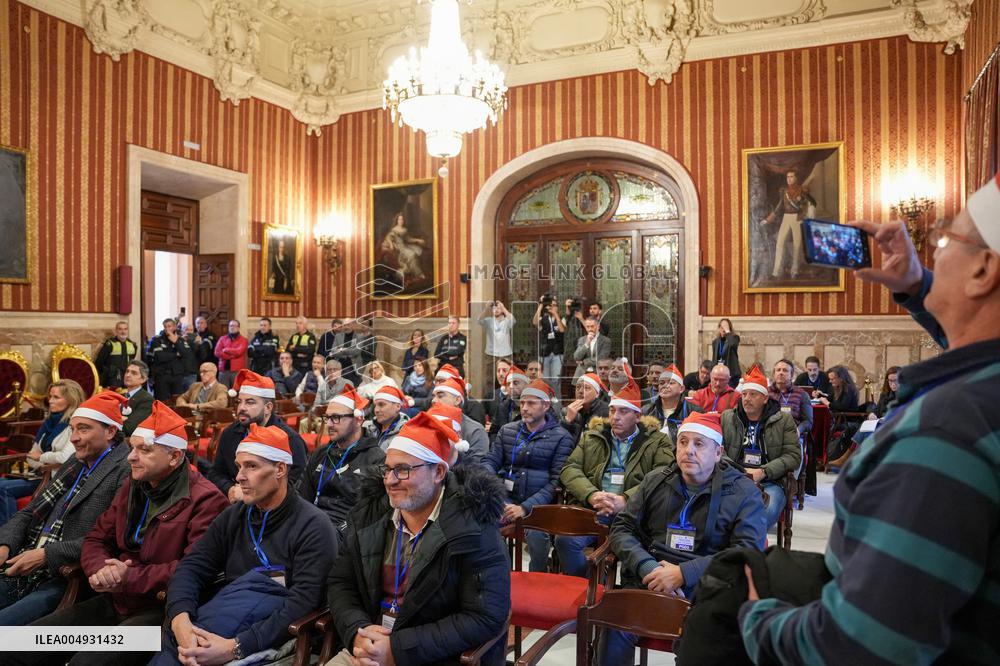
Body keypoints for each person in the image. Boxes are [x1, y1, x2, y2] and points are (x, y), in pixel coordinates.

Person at [738, 175, 1000, 664]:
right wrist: (920, 284)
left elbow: (861, 646)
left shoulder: (945, 430)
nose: (933, 250)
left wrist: (758, 621)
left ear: (983, 270)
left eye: (946, 239)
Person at [7, 403, 229, 666]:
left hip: (161, 612)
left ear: (174, 457)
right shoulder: (133, 485)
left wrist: (129, 577)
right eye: (132, 447)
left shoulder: (207, 500)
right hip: (116, 600)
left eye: (144, 450)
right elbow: (97, 538)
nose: (130, 457)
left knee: (85, 663)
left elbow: (194, 569)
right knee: (17, 646)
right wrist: (101, 569)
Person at [325, 413, 510, 666]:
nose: (390, 481)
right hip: (369, 646)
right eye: (387, 469)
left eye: (403, 470)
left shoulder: (473, 526)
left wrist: (397, 650)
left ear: (438, 472)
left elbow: (485, 616)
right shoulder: (369, 513)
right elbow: (340, 582)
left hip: (432, 655)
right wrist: (357, 632)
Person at [154, 424, 336, 666]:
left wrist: (236, 647)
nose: (239, 476)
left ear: (280, 469)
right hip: (210, 618)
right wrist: (180, 618)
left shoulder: (314, 526)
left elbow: (303, 603)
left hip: (270, 635)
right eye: (239, 466)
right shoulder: (236, 515)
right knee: (104, 643)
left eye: (251, 466)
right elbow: (192, 566)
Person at [602, 411, 766, 665]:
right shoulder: (656, 480)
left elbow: (747, 551)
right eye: (683, 442)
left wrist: (683, 573)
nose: (688, 450)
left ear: (718, 452)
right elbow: (622, 528)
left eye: (699, 444)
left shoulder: (744, 493)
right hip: (650, 581)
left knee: (704, 644)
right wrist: (649, 567)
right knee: (613, 625)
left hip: (708, 592)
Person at [0, 391, 130, 625]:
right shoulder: (76, 461)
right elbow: (30, 512)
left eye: (84, 429)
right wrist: (5, 544)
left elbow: (111, 538)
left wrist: (46, 555)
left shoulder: (126, 470)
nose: (74, 438)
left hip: (66, 574)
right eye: (72, 429)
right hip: (26, 558)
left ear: (111, 432)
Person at [557, 374, 674, 577]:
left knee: (639, 550)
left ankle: (612, 594)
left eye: (623, 411)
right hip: (595, 508)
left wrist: (626, 499)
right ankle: (592, 588)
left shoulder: (657, 442)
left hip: (635, 514)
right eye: (612, 410)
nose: (615, 417)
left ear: (638, 416)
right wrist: (591, 494)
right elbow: (570, 468)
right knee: (564, 540)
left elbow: (663, 476)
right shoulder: (593, 436)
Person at [485, 379, 574, 572]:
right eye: (522, 402)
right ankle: (503, 576)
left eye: (531, 403)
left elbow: (556, 481)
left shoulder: (561, 437)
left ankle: (538, 577)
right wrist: (499, 499)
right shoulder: (507, 430)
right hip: (505, 499)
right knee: (483, 524)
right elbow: (490, 463)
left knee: (536, 536)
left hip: (538, 506)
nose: (524, 408)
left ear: (546, 405)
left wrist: (525, 508)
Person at [720, 366, 801, 529]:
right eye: (744, 394)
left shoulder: (783, 420)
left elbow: (793, 456)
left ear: (765, 398)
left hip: (771, 481)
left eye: (753, 394)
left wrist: (763, 472)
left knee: (763, 514)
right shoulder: (728, 417)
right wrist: (738, 471)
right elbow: (718, 451)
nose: (747, 399)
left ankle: (748, 550)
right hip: (733, 478)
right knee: (716, 511)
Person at [300, 387, 384, 544]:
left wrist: (331, 533)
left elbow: (369, 515)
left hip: (348, 536)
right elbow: (301, 496)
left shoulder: (375, 458)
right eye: (327, 418)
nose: (330, 424)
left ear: (358, 420)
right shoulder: (320, 454)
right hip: (311, 526)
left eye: (336, 418)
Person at [207, 370, 308, 500]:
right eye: (239, 402)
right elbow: (216, 473)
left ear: (268, 408)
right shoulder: (230, 433)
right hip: (236, 503)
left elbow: (297, 486)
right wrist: (230, 489)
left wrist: (251, 493)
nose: (241, 408)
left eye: (250, 402)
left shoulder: (289, 439)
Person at [0, 380, 86, 526]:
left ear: (71, 399)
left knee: (2, 489)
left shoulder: (75, 424)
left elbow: (65, 457)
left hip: (57, 479)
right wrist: (41, 461)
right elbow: (30, 457)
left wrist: (41, 458)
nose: (50, 401)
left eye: (56, 397)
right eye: (50, 397)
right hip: (38, 474)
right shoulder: (49, 423)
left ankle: (9, 534)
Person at [759, 168, 816, 278]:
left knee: (797, 245)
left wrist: (807, 214)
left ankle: (794, 271)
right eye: (787, 177)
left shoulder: (803, 190)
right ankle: (776, 272)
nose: (789, 179)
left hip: (797, 218)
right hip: (786, 217)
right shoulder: (784, 191)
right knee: (780, 243)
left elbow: (812, 202)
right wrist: (768, 219)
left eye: (791, 177)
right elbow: (779, 207)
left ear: (796, 178)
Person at [431, 378, 490, 465]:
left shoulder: (475, 430)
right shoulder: (428, 424)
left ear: (457, 400)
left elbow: (476, 469)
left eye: (440, 396)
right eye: (433, 396)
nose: (434, 400)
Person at [645, 364, 703, 441]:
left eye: (671, 383)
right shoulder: (647, 411)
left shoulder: (694, 412)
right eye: (662, 383)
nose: (665, 386)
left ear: (681, 389)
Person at [146, 318, 195, 401]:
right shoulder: (157, 340)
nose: (167, 329)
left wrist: (176, 342)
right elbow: (160, 357)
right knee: (162, 402)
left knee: (177, 401)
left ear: (174, 327)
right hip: (161, 376)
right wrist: (176, 354)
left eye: (169, 326)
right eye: (165, 327)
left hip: (177, 376)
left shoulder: (180, 340)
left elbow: (188, 355)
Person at [768, 359, 813, 440]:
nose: (781, 373)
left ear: (792, 375)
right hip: (769, 434)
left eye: (785, 370)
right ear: (774, 374)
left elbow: (808, 422)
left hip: (792, 435)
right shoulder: (766, 393)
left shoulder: (801, 394)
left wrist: (798, 430)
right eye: (778, 370)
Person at [380, 211, 428, 283]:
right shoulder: (394, 230)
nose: (401, 221)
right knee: (412, 255)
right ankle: (419, 274)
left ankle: (416, 274)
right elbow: (388, 237)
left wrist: (418, 240)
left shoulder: (405, 229)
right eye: (399, 219)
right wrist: (391, 244)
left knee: (416, 253)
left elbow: (408, 239)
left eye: (402, 219)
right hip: (399, 249)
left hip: (405, 247)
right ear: (397, 221)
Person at [560, 372, 610, 440]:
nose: (580, 391)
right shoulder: (567, 410)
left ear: (597, 393)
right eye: (578, 387)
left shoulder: (605, 411)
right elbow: (558, 439)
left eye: (586, 388)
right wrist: (567, 420)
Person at [487, 364, 528, 441]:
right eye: (509, 384)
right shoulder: (502, 407)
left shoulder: (535, 406)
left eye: (515, 383)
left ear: (526, 385)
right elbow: (494, 432)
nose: (511, 386)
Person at [533, 298, 566, 393]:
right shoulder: (542, 318)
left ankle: (556, 405)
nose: (552, 307)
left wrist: (555, 314)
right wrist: (541, 305)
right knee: (544, 380)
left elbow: (562, 330)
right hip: (544, 353)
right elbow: (535, 323)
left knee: (556, 381)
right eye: (550, 305)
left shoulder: (561, 318)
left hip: (557, 354)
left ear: (557, 307)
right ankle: (545, 402)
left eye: (554, 305)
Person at [94, 321, 137, 389]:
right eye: (120, 329)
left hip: (127, 377)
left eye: (125, 329)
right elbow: (99, 362)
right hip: (112, 379)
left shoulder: (132, 345)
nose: (123, 331)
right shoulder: (110, 344)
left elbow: (132, 360)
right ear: (116, 330)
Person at [121, 361, 153, 438]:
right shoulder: (120, 395)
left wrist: (116, 417)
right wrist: (122, 418)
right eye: (127, 371)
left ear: (143, 379)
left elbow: (129, 428)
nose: (128, 375)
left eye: (134, 373)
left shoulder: (146, 399)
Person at [711, 318, 741, 387]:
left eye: (725, 327)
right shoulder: (715, 342)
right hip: (719, 374)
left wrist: (728, 331)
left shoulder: (735, 338)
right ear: (719, 328)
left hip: (731, 375)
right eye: (721, 327)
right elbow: (714, 359)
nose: (723, 329)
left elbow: (732, 343)